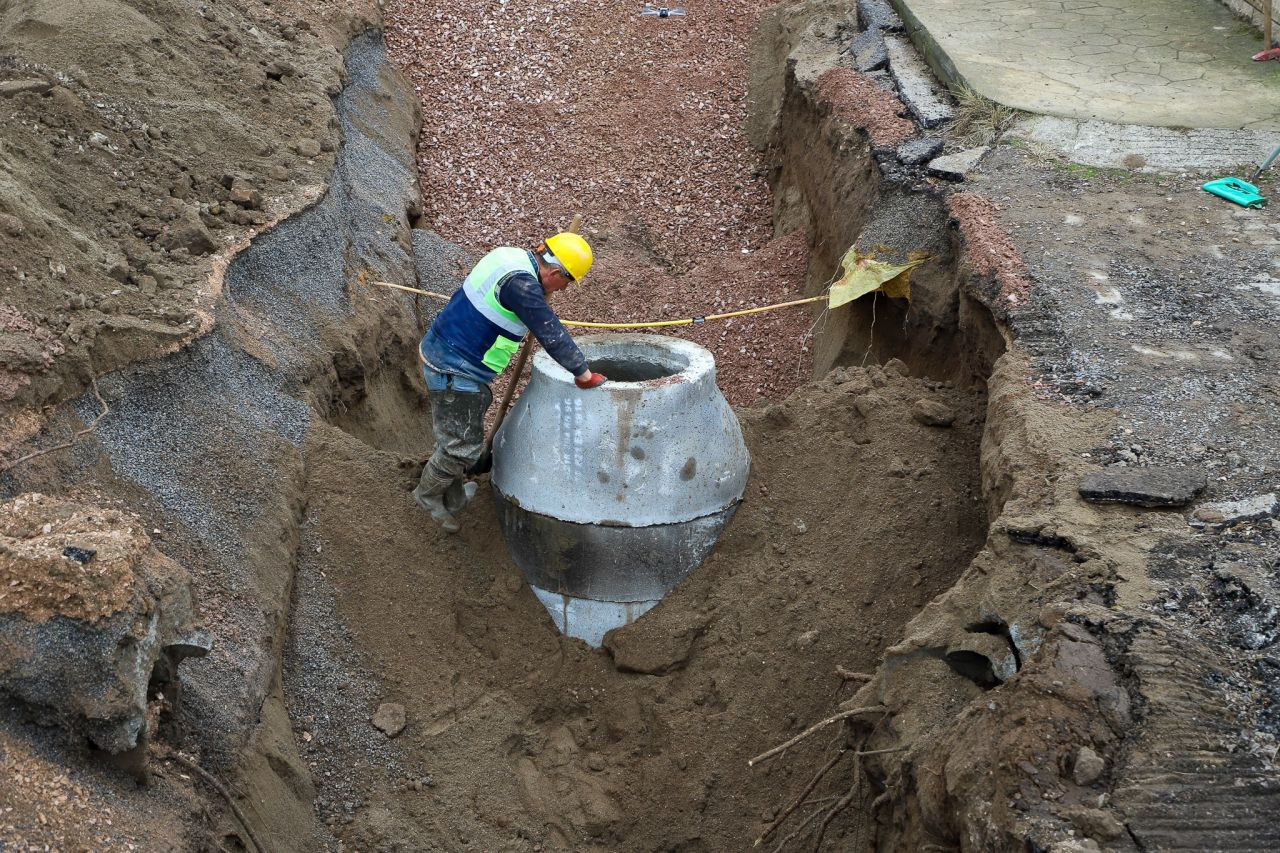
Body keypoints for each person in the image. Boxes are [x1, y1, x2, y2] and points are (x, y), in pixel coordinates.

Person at [414, 232, 607, 533]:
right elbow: (551, 332)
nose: (565, 288)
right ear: (556, 272)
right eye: (567, 282)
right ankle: (426, 499)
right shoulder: (523, 286)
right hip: (455, 368)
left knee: (458, 436)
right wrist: (583, 373)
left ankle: (452, 497)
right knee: (460, 447)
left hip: (448, 350)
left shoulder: (510, 257)